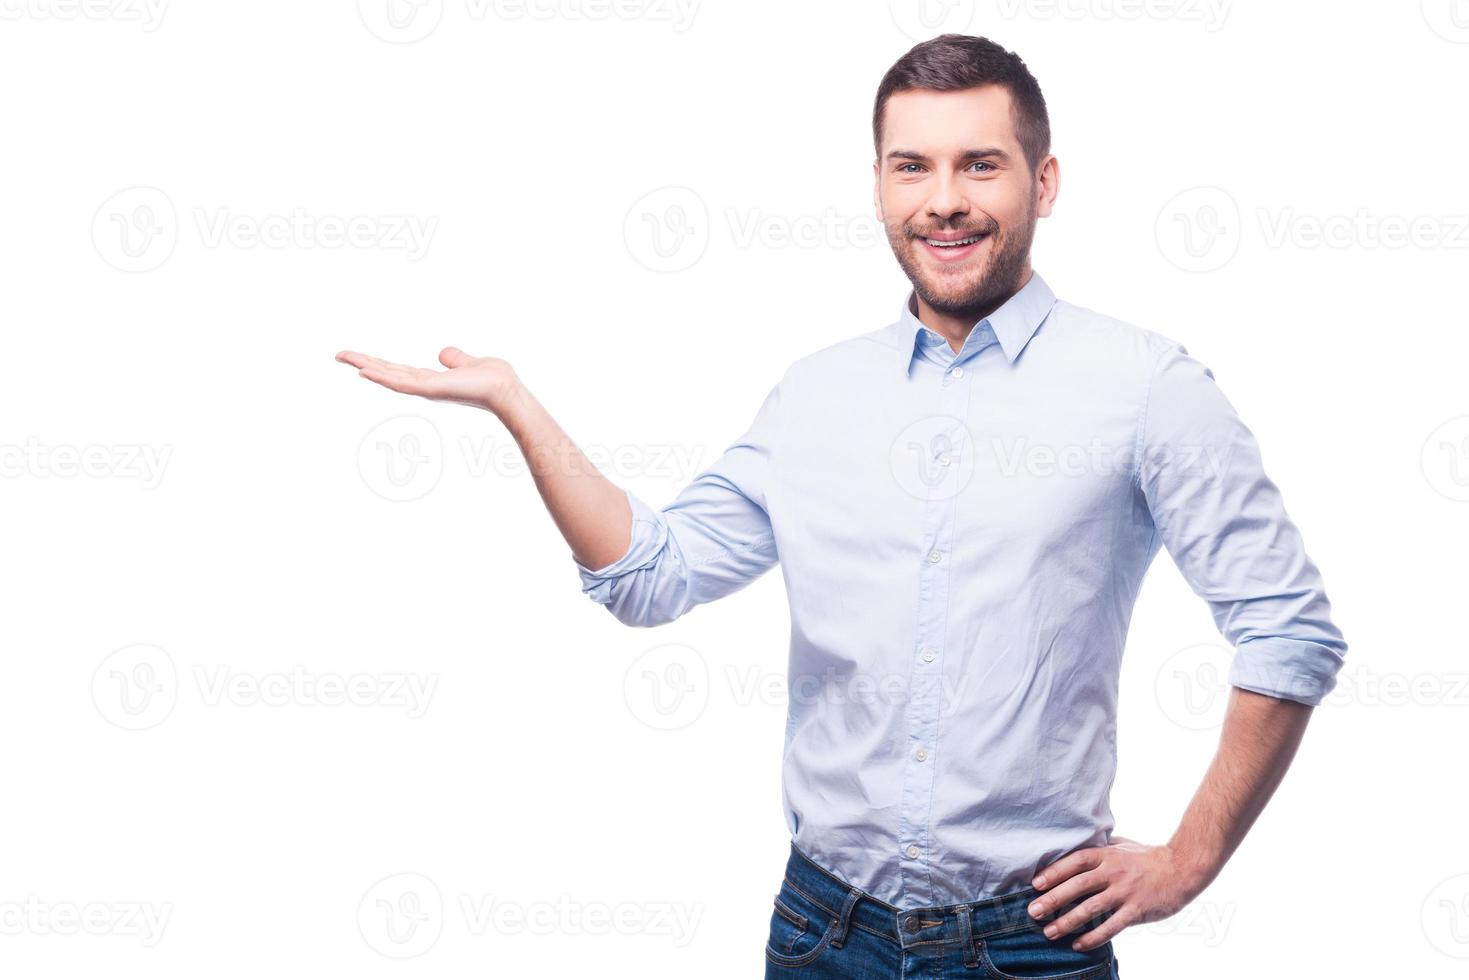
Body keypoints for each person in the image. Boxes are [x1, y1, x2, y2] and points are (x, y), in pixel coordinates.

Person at [335, 33, 1346, 979]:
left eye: (978, 165)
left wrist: (1186, 858)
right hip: (822, 932)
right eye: (911, 166)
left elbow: (1286, 628)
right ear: (876, 185)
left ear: (1042, 181)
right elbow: (651, 576)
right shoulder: (815, 395)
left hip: (1029, 942)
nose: (943, 200)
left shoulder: (1144, 385)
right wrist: (520, 409)